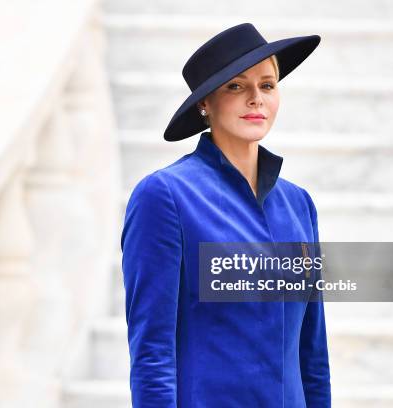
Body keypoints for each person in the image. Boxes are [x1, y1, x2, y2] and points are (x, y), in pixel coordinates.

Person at [120, 23, 331, 407]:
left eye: (267, 85)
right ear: (205, 103)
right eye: (236, 86)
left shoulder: (299, 205)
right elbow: (152, 352)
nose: (256, 98)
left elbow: (312, 354)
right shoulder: (165, 196)